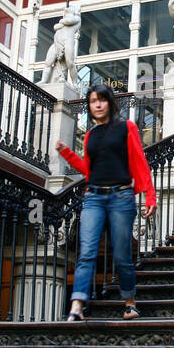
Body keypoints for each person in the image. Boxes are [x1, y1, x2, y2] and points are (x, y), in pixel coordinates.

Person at [55, 84, 157, 321]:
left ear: (110, 103)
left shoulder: (126, 127)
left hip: (121, 196)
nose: (97, 105)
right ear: (89, 106)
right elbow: (90, 172)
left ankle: (130, 302)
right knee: (87, 252)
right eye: (92, 101)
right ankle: (77, 305)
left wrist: (149, 195)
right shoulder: (91, 135)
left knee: (121, 253)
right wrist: (68, 154)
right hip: (93, 197)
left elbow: (140, 162)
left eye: (101, 100)